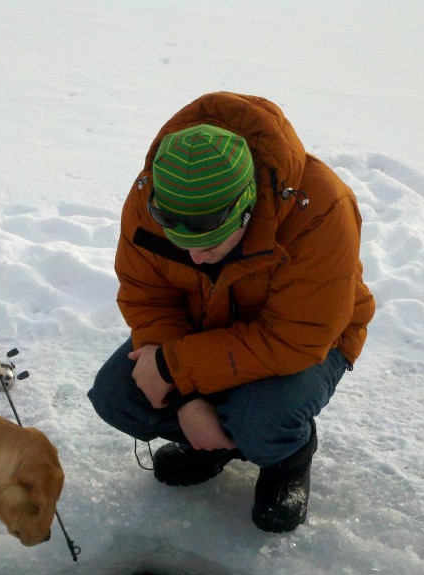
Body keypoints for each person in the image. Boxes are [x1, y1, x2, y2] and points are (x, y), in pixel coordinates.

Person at [88, 92, 375, 533]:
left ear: (247, 212)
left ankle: (287, 459)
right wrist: (186, 398)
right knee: (117, 395)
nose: (197, 260)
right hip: (209, 326)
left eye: (209, 245)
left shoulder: (320, 208)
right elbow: (148, 297)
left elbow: (295, 338)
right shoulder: (152, 192)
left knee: (260, 418)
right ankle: (214, 442)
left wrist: (174, 366)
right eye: (182, 245)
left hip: (311, 340)